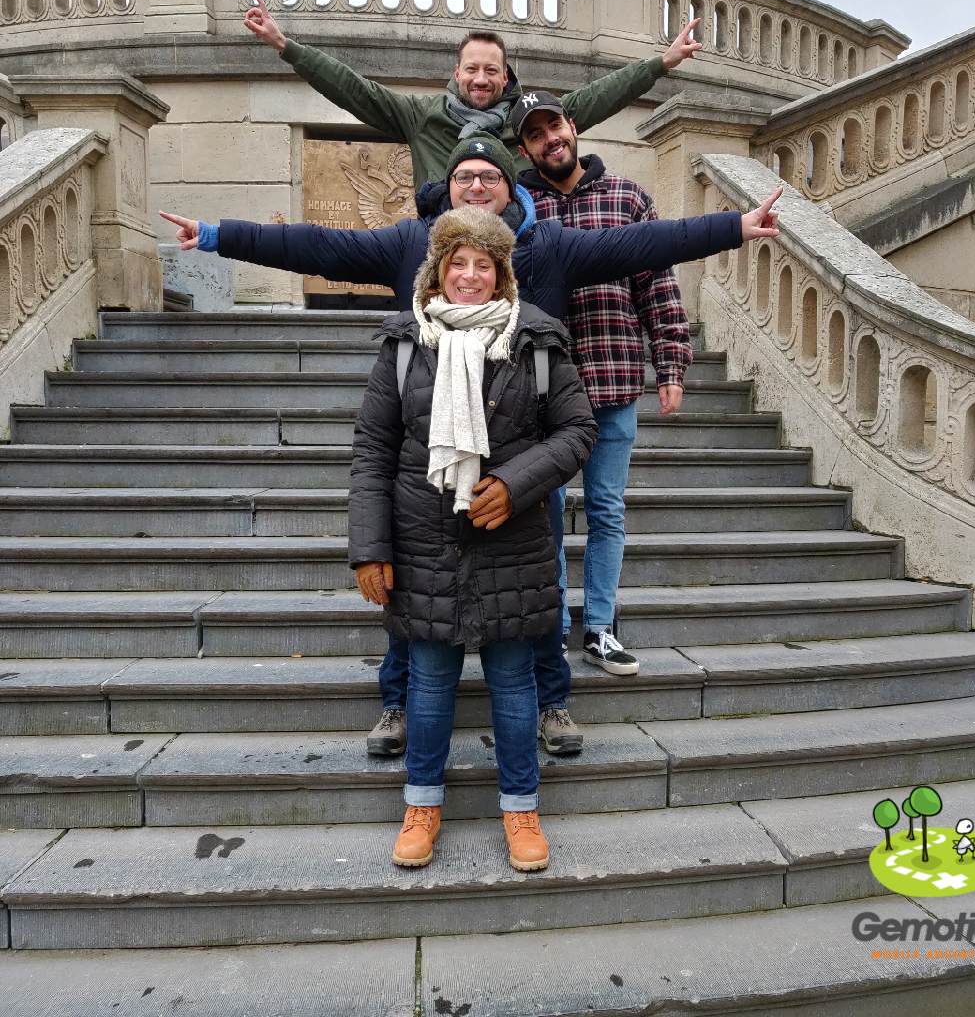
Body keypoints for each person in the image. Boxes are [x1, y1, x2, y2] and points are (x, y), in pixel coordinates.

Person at [161, 139, 783, 757]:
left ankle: (551, 703)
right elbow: (317, 245)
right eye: (464, 176)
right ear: (447, 188)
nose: (477, 185)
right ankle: (398, 704)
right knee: (415, 592)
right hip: (428, 463)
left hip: (522, 466)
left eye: (490, 176)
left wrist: (733, 227)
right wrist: (217, 235)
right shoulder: (413, 242)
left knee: (538, 591)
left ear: (511, 190)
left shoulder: (549, 244)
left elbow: (641, 244)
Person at [351, 204, 597, 871]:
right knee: (429, 684)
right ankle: (421, 805)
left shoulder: (536, 341)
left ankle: (521, 809)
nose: (468, 275)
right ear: (435, 273)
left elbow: (578, 431)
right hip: (422, 538)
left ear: (501, 274)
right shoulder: (405, 344)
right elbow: (372, 449)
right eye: (456, 263)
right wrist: (370, 547)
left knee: (514, 684)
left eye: (482, 264)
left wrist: (516, 484)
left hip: (511, 538)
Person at [514, 89, 692, 688]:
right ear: (525, 149)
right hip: (541, 389)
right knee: (544, 513)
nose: (550, 140)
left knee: (607, 510)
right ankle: (552, 628)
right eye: (536, 135)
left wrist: (671, 364)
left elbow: (657, 286)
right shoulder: (520, 207)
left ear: (572, 127)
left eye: (555, 126)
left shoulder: (627, 198)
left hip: (614, 376)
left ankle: (599, 626)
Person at [242, 0, 703, 191]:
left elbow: (601, 95)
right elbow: (354, 90)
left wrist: (660, 63)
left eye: (491, 71)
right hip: (445, 262)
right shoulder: (423, 116)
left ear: (505, 77)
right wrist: (287, 47)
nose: (481, 79)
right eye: (472, 70)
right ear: (457, 73)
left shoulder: (531, 120)